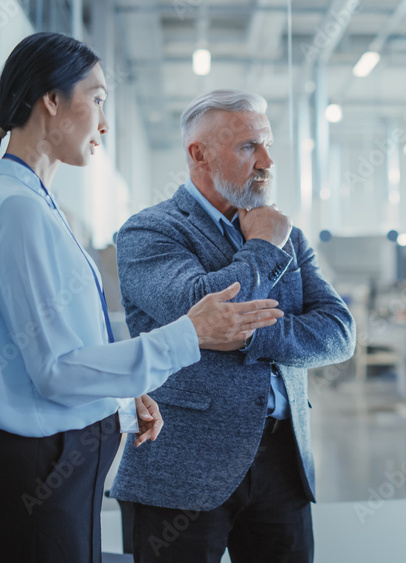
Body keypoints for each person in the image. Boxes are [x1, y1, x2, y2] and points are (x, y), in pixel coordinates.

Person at [0, 34, 284, 562]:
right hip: (32, 476)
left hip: (51, 468)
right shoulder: (16, 209)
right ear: (51, 101)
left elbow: (46, 352)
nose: (104, 124)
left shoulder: (33, 203)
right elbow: (55, 372)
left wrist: (118, 396)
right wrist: (191, 333)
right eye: (98, 99)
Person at [111, 89, 355, 562]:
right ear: (198, 154)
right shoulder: (150, 231)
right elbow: (200, 305)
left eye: (266, 145)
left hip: (284, 464)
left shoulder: (286, 231)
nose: (266, 160)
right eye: (248, 147)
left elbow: (338, 331)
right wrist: (263, 247)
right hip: (181, 469)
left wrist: (242, 334)